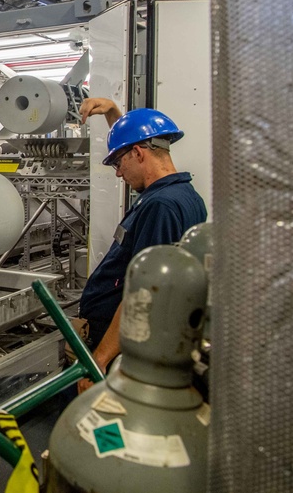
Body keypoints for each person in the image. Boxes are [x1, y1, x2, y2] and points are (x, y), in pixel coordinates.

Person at [76, 98, 207, 392]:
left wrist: (100, 358)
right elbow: (132, 139)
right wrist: (113, 114)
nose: (119, 173)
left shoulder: (161, 206)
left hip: (124, 343)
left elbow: (142, 293)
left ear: (138, 153)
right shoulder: (183, 195)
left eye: (119, 164)